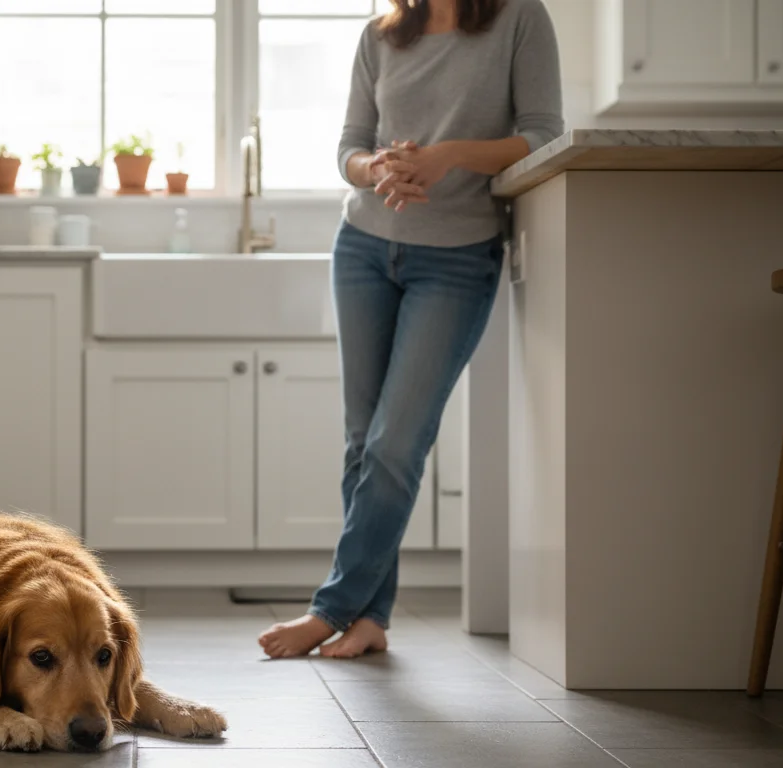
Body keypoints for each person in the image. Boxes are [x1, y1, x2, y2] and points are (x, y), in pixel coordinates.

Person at [258, 0, 563, 659]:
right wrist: (376, 168)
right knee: (362, 442)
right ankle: (370, 619)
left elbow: (543, 135)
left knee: (396, 442)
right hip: (363, 246)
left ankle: (331, 608)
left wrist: (449, 156)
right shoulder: (379, 35)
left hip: (457, 258)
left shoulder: (520, 19)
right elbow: (349, 146)